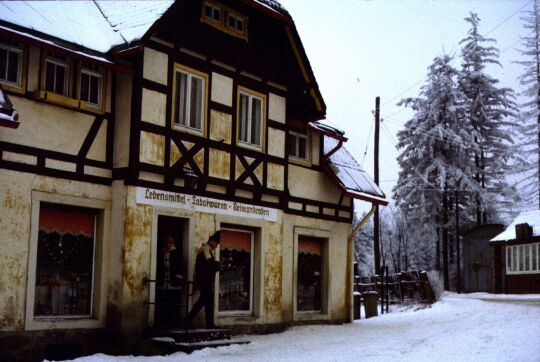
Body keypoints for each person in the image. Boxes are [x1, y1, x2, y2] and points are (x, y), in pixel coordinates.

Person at [184, 231, 221, 329]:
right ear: (212, 241)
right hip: (205, 280)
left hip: (205, 280)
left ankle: (208, 323)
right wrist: (220, 265)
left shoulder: (206, 249)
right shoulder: (205, 249)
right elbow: (210, 263)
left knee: (207, 301)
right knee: (204, 301)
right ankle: (188, 320)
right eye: (217, 243)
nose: (216, 246)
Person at [156, 235, 184, 326]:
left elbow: (181, 266)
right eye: (167, 242)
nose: (169, 244)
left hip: (173, 283)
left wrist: (178, 278)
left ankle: (174, 323)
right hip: (163, 282)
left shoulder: (177, 253)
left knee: (173, 303)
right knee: (164, 303)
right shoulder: (161, 252)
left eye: (170, 242)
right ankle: (164, 322)